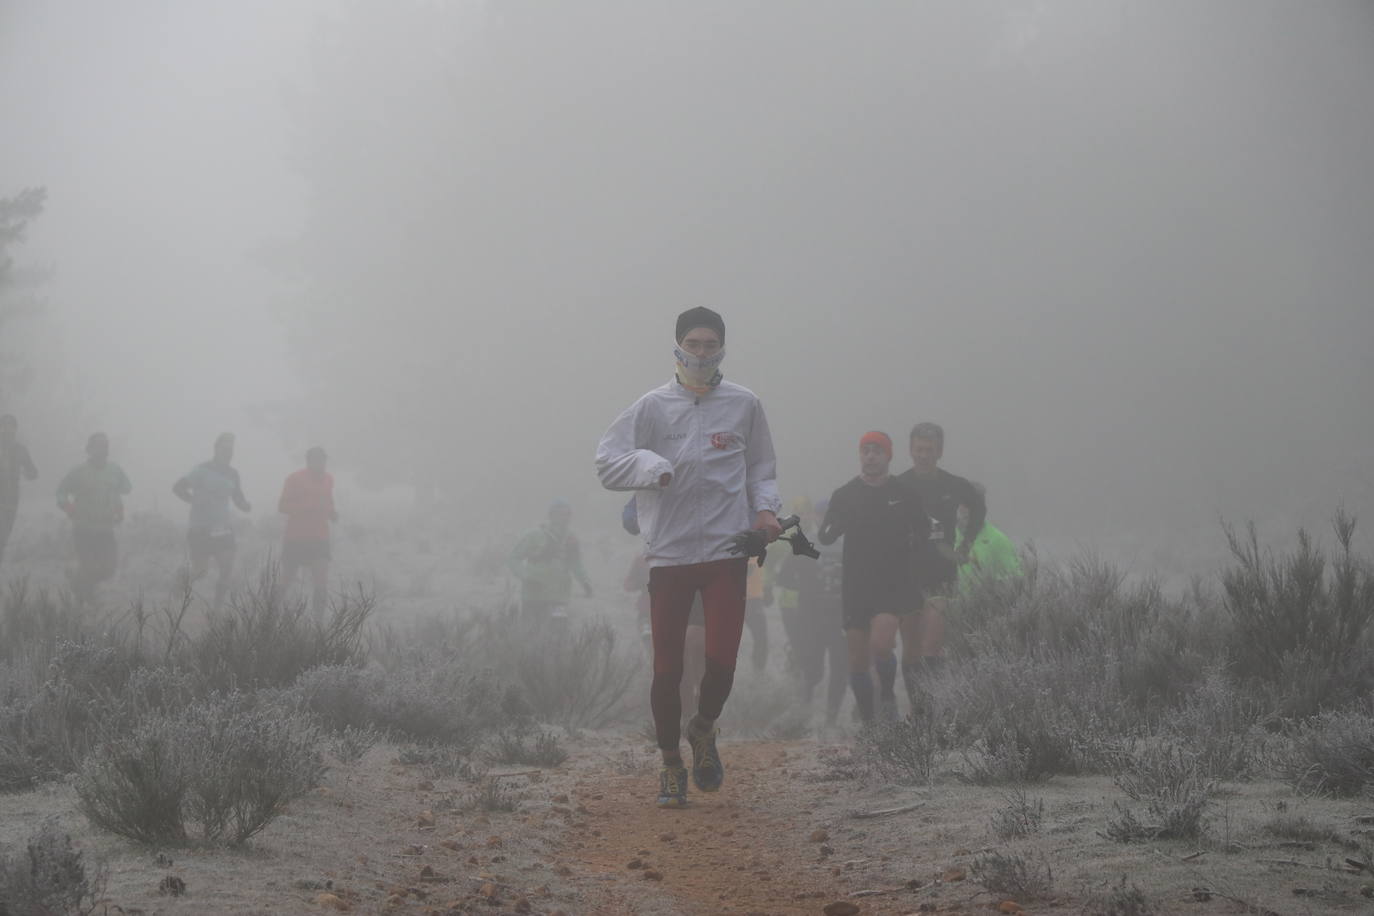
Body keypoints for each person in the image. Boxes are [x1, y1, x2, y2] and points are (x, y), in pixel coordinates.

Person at [595, 306, 782, 808]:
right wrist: (652, 465)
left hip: (725, 550)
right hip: (670, 555)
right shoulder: (652, 406)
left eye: (710, 345)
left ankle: (702, 729)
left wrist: (765, 513)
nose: (702, 353)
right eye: (693, 344)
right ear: (677, 347)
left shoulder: (744, 403)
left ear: (722, 348)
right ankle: (670, 765)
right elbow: (607, 462)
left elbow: (763, 467)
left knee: (722, 663)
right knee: (667, 671)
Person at [818, 431, 929, 724]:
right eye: (865, 450)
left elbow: (924, 532)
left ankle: (888, 696)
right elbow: (826, 536)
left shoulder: (904, 493)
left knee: (881, 644)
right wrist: (833, 522)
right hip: (856, 584)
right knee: (856, 659)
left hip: (892, 583)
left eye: (877, 451)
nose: (870, 456)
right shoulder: (845, 494)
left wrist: (915, 554)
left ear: (888, 456)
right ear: (859, 455)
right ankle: (869, 724)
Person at [891, 421, 986, 713]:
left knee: (932, 646)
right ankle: (920, 711)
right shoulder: (899, 485)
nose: (923, 455)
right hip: (907, 575)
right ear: (910, 450)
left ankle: (936, 709)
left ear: (940, 451)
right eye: (919, 449)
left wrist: (966, 543)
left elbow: (979, 509)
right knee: (912, 650)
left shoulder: (954, 484)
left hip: (942, 575)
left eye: (929, 450)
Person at [776, 497, 848, 731]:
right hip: (812, 616)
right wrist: (805, 592)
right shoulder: (804, 543)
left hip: (841, 615)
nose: (826, 519)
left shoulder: (850, 544)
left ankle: (831, 718)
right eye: (821, 514)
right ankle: (804, 704)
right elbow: (784, 577)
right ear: (816, 517)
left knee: (840, 666)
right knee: (813, 667)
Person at [172, 432, 252, 610]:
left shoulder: (233, 474)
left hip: (222, 527)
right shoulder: (202, 470)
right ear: (216, 449)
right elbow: (178, 487)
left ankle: (217, 609)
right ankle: (181, 582)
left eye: (231, 449)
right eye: (225, 448)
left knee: (227, 565)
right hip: (200, 527)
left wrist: (245, 505)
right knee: (201, 571)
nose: (228, 452)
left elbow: (238, 497)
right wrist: (193, 500)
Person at [55, 432, 131, 603]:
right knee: (89, 567)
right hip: (83, 528)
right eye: (97, 445)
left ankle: (76, 582)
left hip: (106, 529)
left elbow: (123, 489)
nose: (102, 449)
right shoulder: (78, 472)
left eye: (105, 445)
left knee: (109, 569)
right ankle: (85, 602)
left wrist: (119, 510)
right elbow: (60, 493)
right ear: (89, 449)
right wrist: (69, 507)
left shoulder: (114, 470)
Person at [508, 499, 594, 625]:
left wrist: (585, 583)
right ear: (551, 515)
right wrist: (526, 577)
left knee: (559, 630)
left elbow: (576, 564)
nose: (563, 518)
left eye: (567, 514)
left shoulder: (571, 538)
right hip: (534, 595)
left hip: (560, 597)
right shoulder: (534, 535)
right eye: (559, 514)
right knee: (531, 631)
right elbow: (513, 558)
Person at [276, 446, 336, 617]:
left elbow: (329, 500)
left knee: (321, 579)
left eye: (322, 460)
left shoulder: (329, 479)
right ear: (308, 461)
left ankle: (319, 624)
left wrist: (332, 512)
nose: (320, 463)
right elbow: (282, 506)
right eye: (316, 460)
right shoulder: (294, 479)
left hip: (320, 537)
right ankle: (269, 612)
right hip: (296, 537)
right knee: (286, 579)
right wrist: (306, 508)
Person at [955, 482, 1022, 593]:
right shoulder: (945, 537)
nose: (967, 510)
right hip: (950, 609)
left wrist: (991, 588)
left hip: (984, 608)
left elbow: (1016, 579)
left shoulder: (997, 540)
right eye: (964, 504)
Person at [0, 414, 38, 568]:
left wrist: (29, 473)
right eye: (4, 426)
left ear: (15, 430)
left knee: (4, 535)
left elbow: (33, 471)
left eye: (11, 427)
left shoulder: (20, 450)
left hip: (11, 497)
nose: (7, 430)